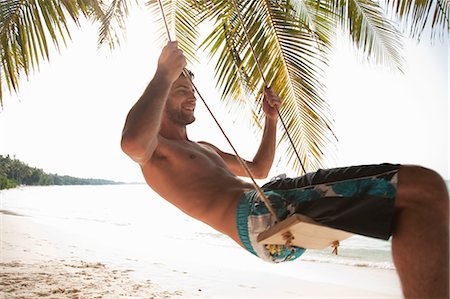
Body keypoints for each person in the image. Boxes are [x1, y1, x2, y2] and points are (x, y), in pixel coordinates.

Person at [121, 41, 449, 298]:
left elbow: (258, 169)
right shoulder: (157, 151)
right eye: (182, 90)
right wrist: (163, 74)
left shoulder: (204, 148)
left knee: (423, 190)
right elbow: (132, 143)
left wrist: (271, 120)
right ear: (159, 97)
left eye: (193, 90)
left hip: (277, 198)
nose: (191, 97)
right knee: (422, 187)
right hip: (263, 222)